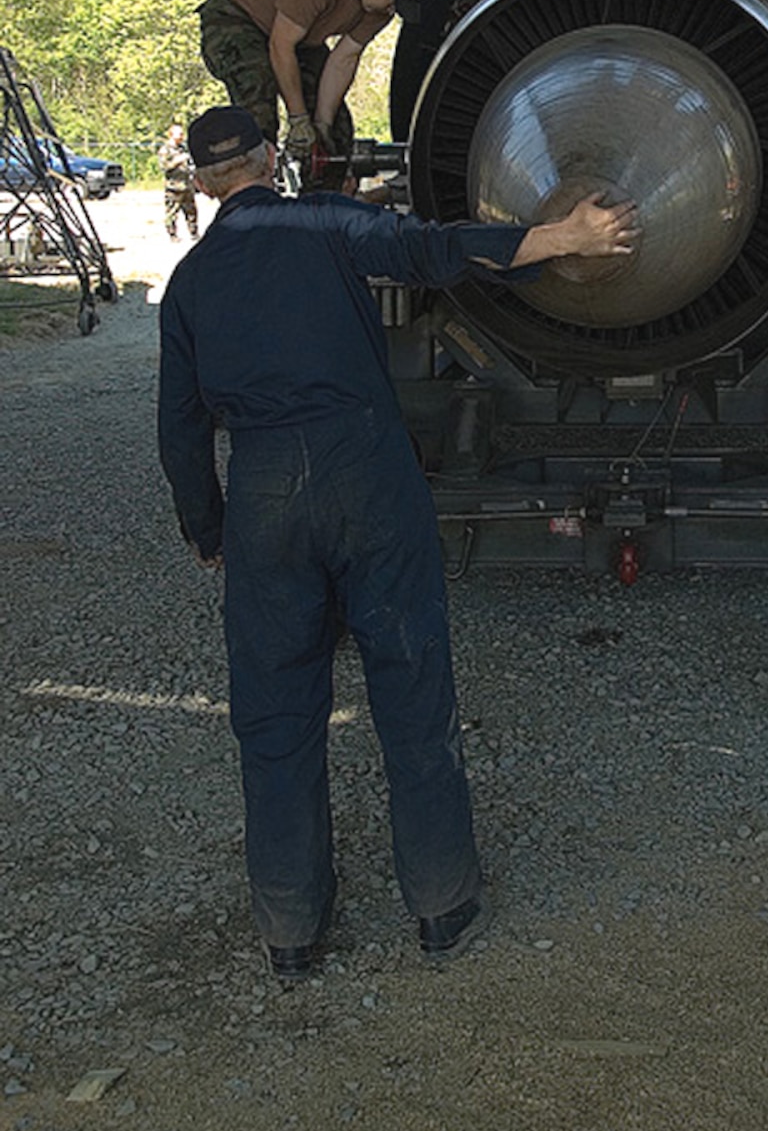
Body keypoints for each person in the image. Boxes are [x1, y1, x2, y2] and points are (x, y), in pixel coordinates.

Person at [156, 105, 639, 979]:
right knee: (411, 681)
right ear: (271, 158)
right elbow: (434, 249)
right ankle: (441, 905)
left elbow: (180, 430)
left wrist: (209, 528)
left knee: (274, 715)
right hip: (368, 471)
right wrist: (560, 235)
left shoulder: (188, 281)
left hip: (265, 489)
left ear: (201, 180)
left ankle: (292, 928)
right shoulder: (326, 221)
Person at [197, 0, 430, 170]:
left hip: (299, 36)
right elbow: (281, 46)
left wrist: (321, 125)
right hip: (235, 18)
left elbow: (344, 58)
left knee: (336, 130)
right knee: (258, 98)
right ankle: (254, 194)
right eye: (392, 2)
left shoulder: (377, 9)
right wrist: (298, 119)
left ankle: (321, 200)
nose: (391, 11)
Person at [157, 123, 198, 241]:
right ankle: (172, 234)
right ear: (171, 135)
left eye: (182, 133)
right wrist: (177, 161)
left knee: (191, 211)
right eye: (179, 133)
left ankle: (193, 232)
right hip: (174, 187)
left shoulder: (183, 149)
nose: (181, 136)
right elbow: (164, 167)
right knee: (172, 212)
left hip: (187, 185)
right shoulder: (165, 150)